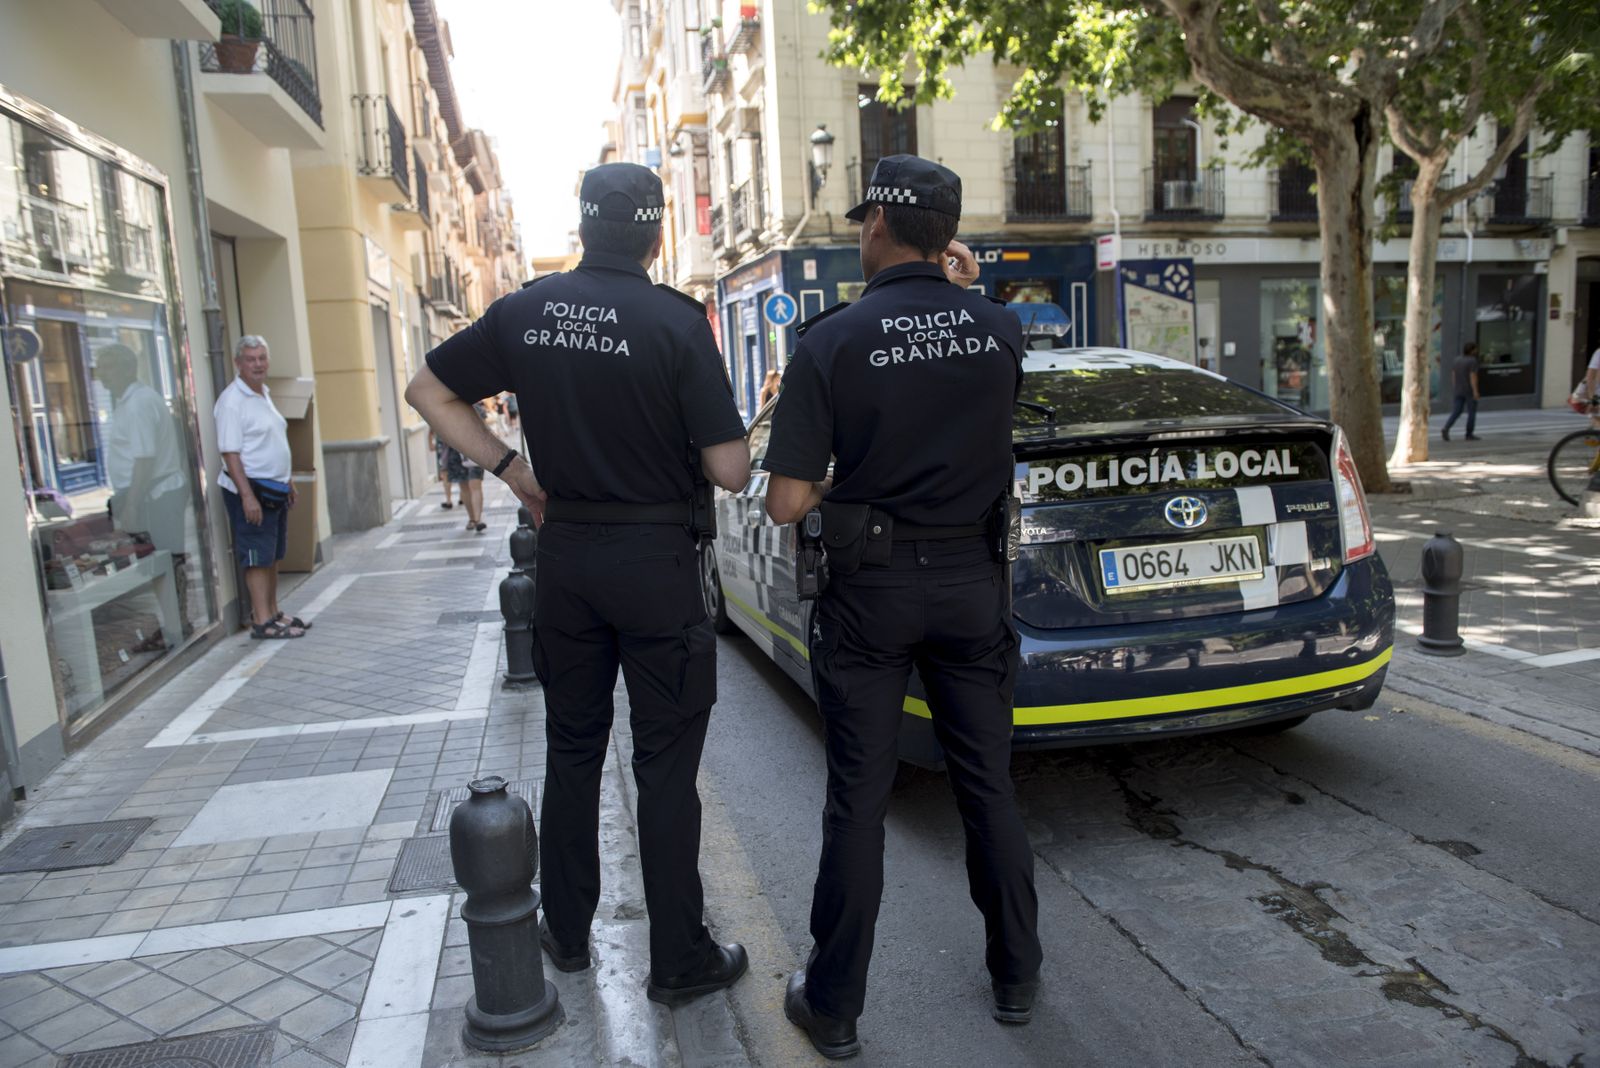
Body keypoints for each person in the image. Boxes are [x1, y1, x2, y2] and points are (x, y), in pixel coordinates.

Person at [405, 161, 753, 1006]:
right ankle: (678, 960)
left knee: (572, 751)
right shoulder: (676, 322)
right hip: (655, 565)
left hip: (566, 566)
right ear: (656, 233)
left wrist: (515, 470)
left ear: (584, 228)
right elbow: (733, 469)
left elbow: (427, 389)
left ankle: (565, 936)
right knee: (666, 768)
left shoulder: (527, 310)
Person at [761, 154, 1042, 1058]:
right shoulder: (997, 330)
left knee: (858, 799)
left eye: (861, 221)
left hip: (873, 594)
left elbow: (785, 502)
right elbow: (975, 333)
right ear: (946, 236)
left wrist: (850, 480)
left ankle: (835, 1005)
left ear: (877, 225)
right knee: (987, 786)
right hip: (971, 585)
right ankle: (1017, 975)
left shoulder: (831, 341)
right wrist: (961, 283)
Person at [214, 335, 308, 639]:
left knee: (272, 553)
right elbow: (230, 453)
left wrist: (288, 480)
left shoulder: (262, 393)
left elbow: (273, 442)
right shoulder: (232, 401)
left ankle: (274, 611)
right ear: (238, 363)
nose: (257, 364)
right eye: (251, 359)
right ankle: (262, 620)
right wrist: (247, 497)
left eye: (261, 358)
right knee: (256, 555)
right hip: (252, 492)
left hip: (274, 491)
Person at [95, 343, 189, 557]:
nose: (102, 375)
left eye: (109, 368)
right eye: (100, 368)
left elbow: (145, 459)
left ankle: (176, 589)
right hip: (152, 495)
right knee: (158, 561)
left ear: (129, 369)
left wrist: (132, 505)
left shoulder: (139, 403)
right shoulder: (130, 401)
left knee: (165, 559)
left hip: (155, 497)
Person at [444, 403, 490, 532]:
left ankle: (478, 519)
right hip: (455, 454)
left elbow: (485, 431)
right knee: (464, 487)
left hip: (474, 452)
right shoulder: (447, 409)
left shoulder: (477, 410)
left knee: (475, 485)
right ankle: (472, 519)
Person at [1441, 341, 1481, 441]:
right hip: (1469, 390)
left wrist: (1455, 386)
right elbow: (1473, 376)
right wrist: (1475, 390)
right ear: (1472, 350)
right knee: (1471, 412)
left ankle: (1446, 427)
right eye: (1475, 349)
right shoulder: (1472, 361)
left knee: (1457, 411)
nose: (1477, 351)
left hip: (1458, 389)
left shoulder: (1457, 360)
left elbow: (1453, 375)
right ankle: (1469, 433)